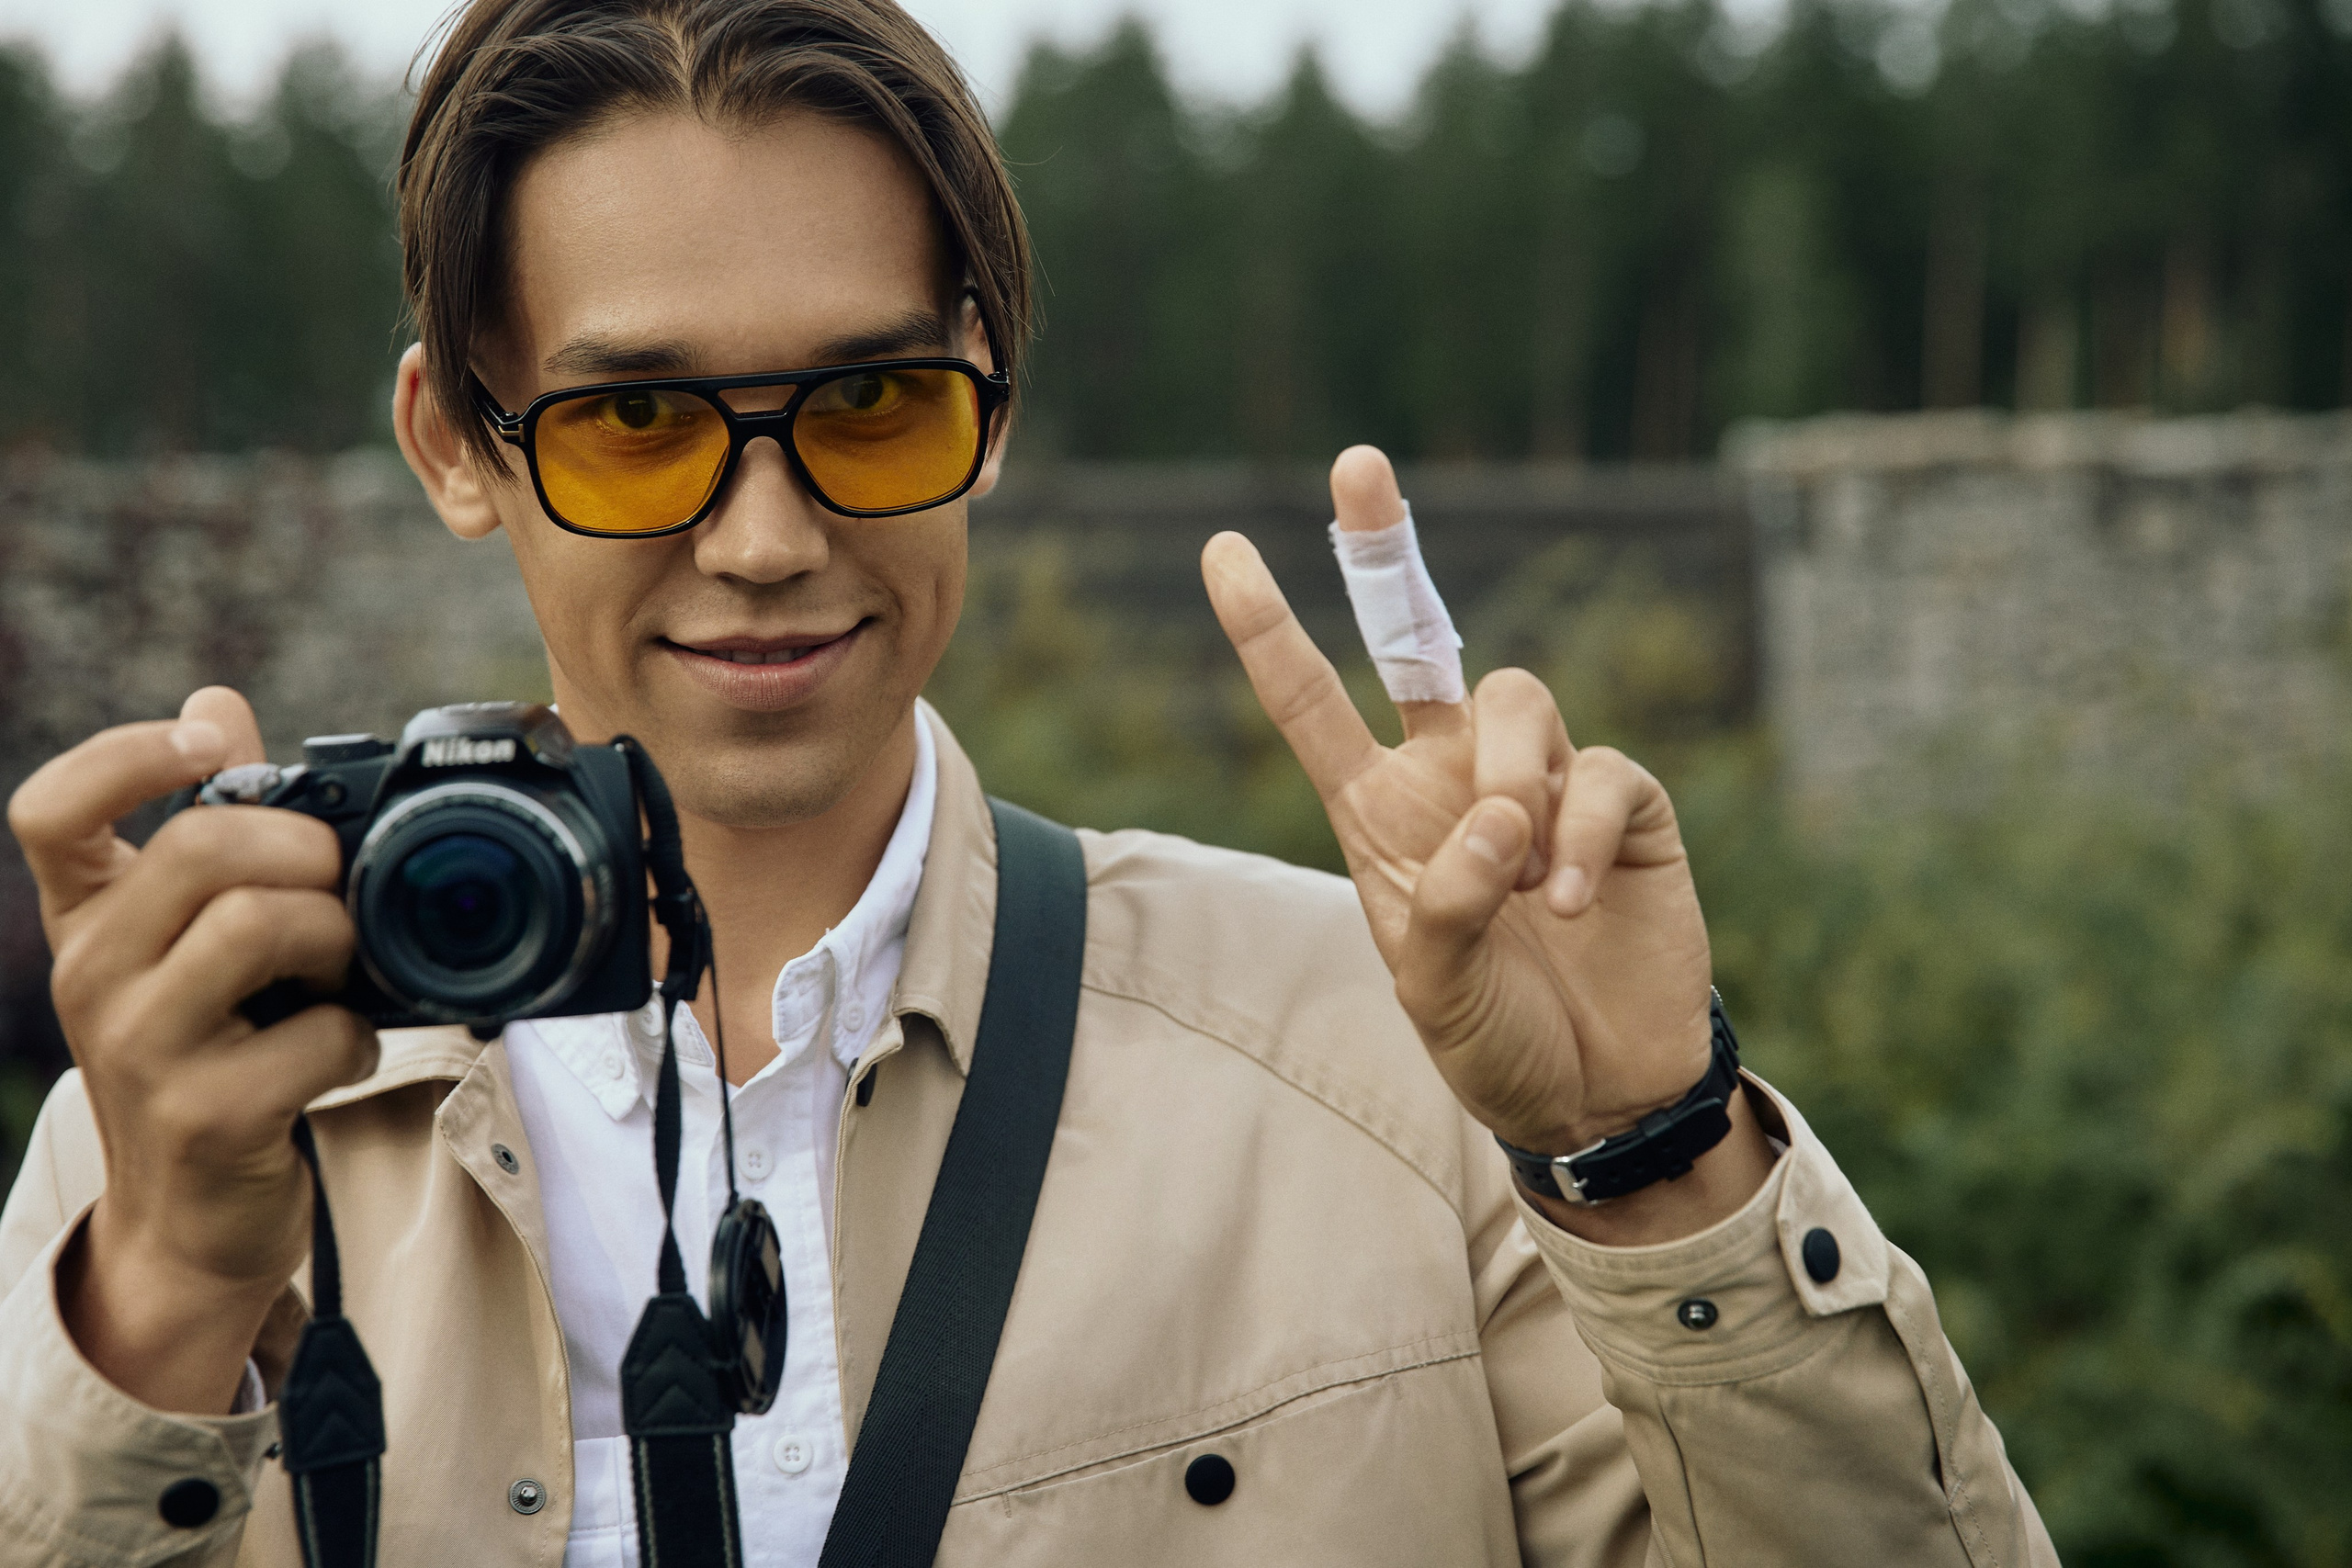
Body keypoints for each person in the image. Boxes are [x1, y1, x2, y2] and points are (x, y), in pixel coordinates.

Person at [0, 2, 2057, 1563]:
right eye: (636, 422)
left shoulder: (1385, 1056)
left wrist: (1653, 1143)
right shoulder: (189, 1131)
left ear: (987, 410)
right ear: (456, 440)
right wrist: (175, 1298)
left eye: (873, 402)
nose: (766, 531)